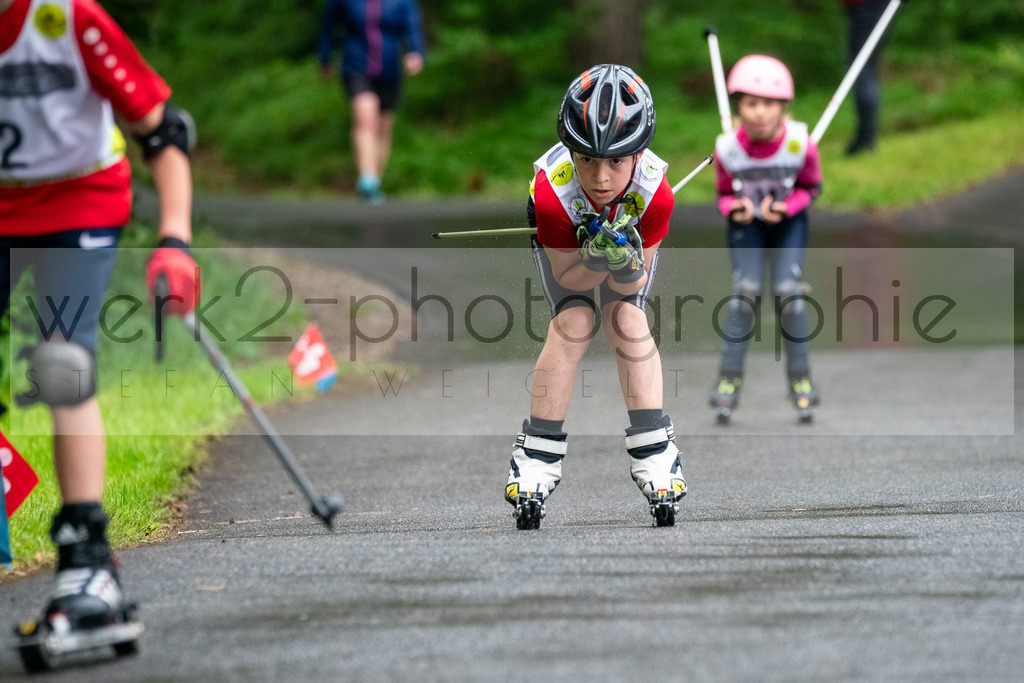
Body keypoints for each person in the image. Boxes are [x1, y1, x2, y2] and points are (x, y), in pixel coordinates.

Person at [0, 0, 198, 659]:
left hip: (77, 200)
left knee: (62, 361)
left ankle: (89, 561)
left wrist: (174, 239)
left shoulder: (68, 18)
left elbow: (163, 134)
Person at [504, 64, 686, 529]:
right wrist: (594, 257)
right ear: (571, 152)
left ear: (638, 154)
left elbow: (629, 287)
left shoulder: (655, 195)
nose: (601, 178)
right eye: (587, 160)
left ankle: (656, 452)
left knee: (627, 319)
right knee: (575, 322)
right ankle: (537, 457)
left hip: (629, 238)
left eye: (616, 163)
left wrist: (624, 260)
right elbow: (570, 276)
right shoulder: (553, 193)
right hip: (567, 239)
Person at [709, 54, 823, 425]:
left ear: (783, 107)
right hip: (749, 226)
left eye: (769, 104)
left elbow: (812, 187)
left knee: (789, 293)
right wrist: (734, 208)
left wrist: (788, 208)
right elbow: (723, 194)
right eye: (751, 103)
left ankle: (801, 379)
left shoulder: (801, 144)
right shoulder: (728, 148)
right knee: (747, 292)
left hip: (788, 223)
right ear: (739, 106)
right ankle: (728, 382)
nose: (760, 113)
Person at [318, 0, 425, 203]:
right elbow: (328, 25)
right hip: (356, 66)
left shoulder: (401, 2)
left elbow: (412, 26)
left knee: (384, 125)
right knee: (366, 118)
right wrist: (325, 57)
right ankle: (367, 179)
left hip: (390, 69)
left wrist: (416, 52)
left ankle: (375, 179)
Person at [842, 0, 891, 156]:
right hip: (862, 9)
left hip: (868, 7)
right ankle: (865, 138)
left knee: (861, 69)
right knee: (864, 69)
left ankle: (866, 140)